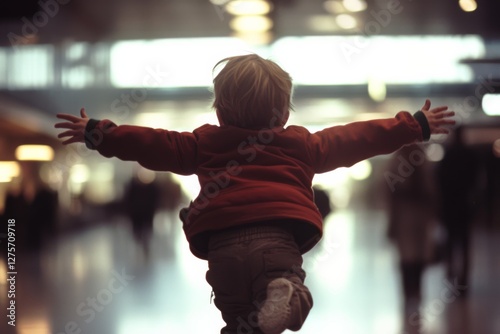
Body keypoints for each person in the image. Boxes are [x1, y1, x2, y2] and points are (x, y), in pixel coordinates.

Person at [54, 54, 455, 334]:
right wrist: (412, 125)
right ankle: (286, 290)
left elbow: (153, 144)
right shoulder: (301, 143)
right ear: (283, 115)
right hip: (276, 246)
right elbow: (354, 138)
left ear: (219, 112)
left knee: (240, 325)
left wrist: (99, 132)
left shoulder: (204, 143)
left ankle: (268, 290)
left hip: (223, 250)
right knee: (284, 306)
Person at [385, 144, 439, 332]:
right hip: (407, 218)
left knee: (415, 258)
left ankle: (414, 293)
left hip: (417, 218)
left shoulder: (419, 160)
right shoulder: (409, 161)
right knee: (409, 258)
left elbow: (430, 190)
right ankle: (410, 294)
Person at [437, 126, 479, 293]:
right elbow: (475, 182)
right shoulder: (469, 155)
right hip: (464, 206)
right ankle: (463, 280)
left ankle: (451, 276)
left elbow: (440, 181)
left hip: (450, 206)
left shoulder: (448, 155)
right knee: (464, 244)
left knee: (451, 243)